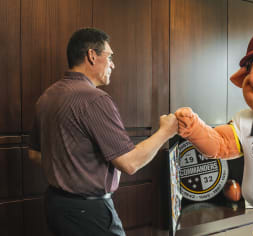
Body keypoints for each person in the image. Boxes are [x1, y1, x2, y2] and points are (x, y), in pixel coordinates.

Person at [28, 28, 178, 236]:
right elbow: (129, 163)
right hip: (89, 213)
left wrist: (69, 169)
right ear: (91, 55)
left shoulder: (47, 96)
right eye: (110, 56)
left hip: (55, 205)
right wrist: (166, 131)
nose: (113, 64)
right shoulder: (95, 99)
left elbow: (35, 154)